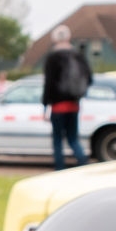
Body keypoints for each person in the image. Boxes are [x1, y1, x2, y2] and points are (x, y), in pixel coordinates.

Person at [41, 26, 92, 171]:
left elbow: (48, 84)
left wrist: (45, 106)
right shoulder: (78, 56)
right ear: (69, 37)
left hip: (57, 106)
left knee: (57, 140)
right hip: (74, 104)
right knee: (73, 139)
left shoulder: (52, 58)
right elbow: (89, 78)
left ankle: (60, 169)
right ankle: (83, 165)